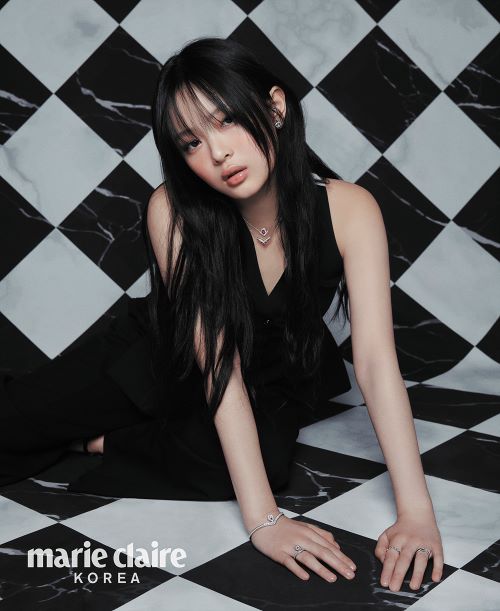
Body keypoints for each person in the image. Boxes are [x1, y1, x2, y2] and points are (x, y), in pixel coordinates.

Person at [0, 37, 443, 591]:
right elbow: (218, 366)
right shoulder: (172, 211)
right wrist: (265, 524)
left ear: (275, 108)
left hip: (269, 373)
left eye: (227, 120)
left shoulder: (351, 209)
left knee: (265, 467)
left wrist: (416, 511)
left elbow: (376, 362)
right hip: (160, 358)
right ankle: (80, 424)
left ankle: (97, 442)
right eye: (191, 142)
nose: (217, 153)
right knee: (11, 426)